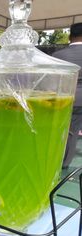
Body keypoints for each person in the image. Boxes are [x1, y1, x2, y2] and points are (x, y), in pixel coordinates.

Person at [52, 23, 82, 169]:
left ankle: (53, 157)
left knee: (57, 129)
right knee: (73, 131)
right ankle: (65, 163)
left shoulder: (58, 56)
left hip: (62, 99)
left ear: (70, 36)